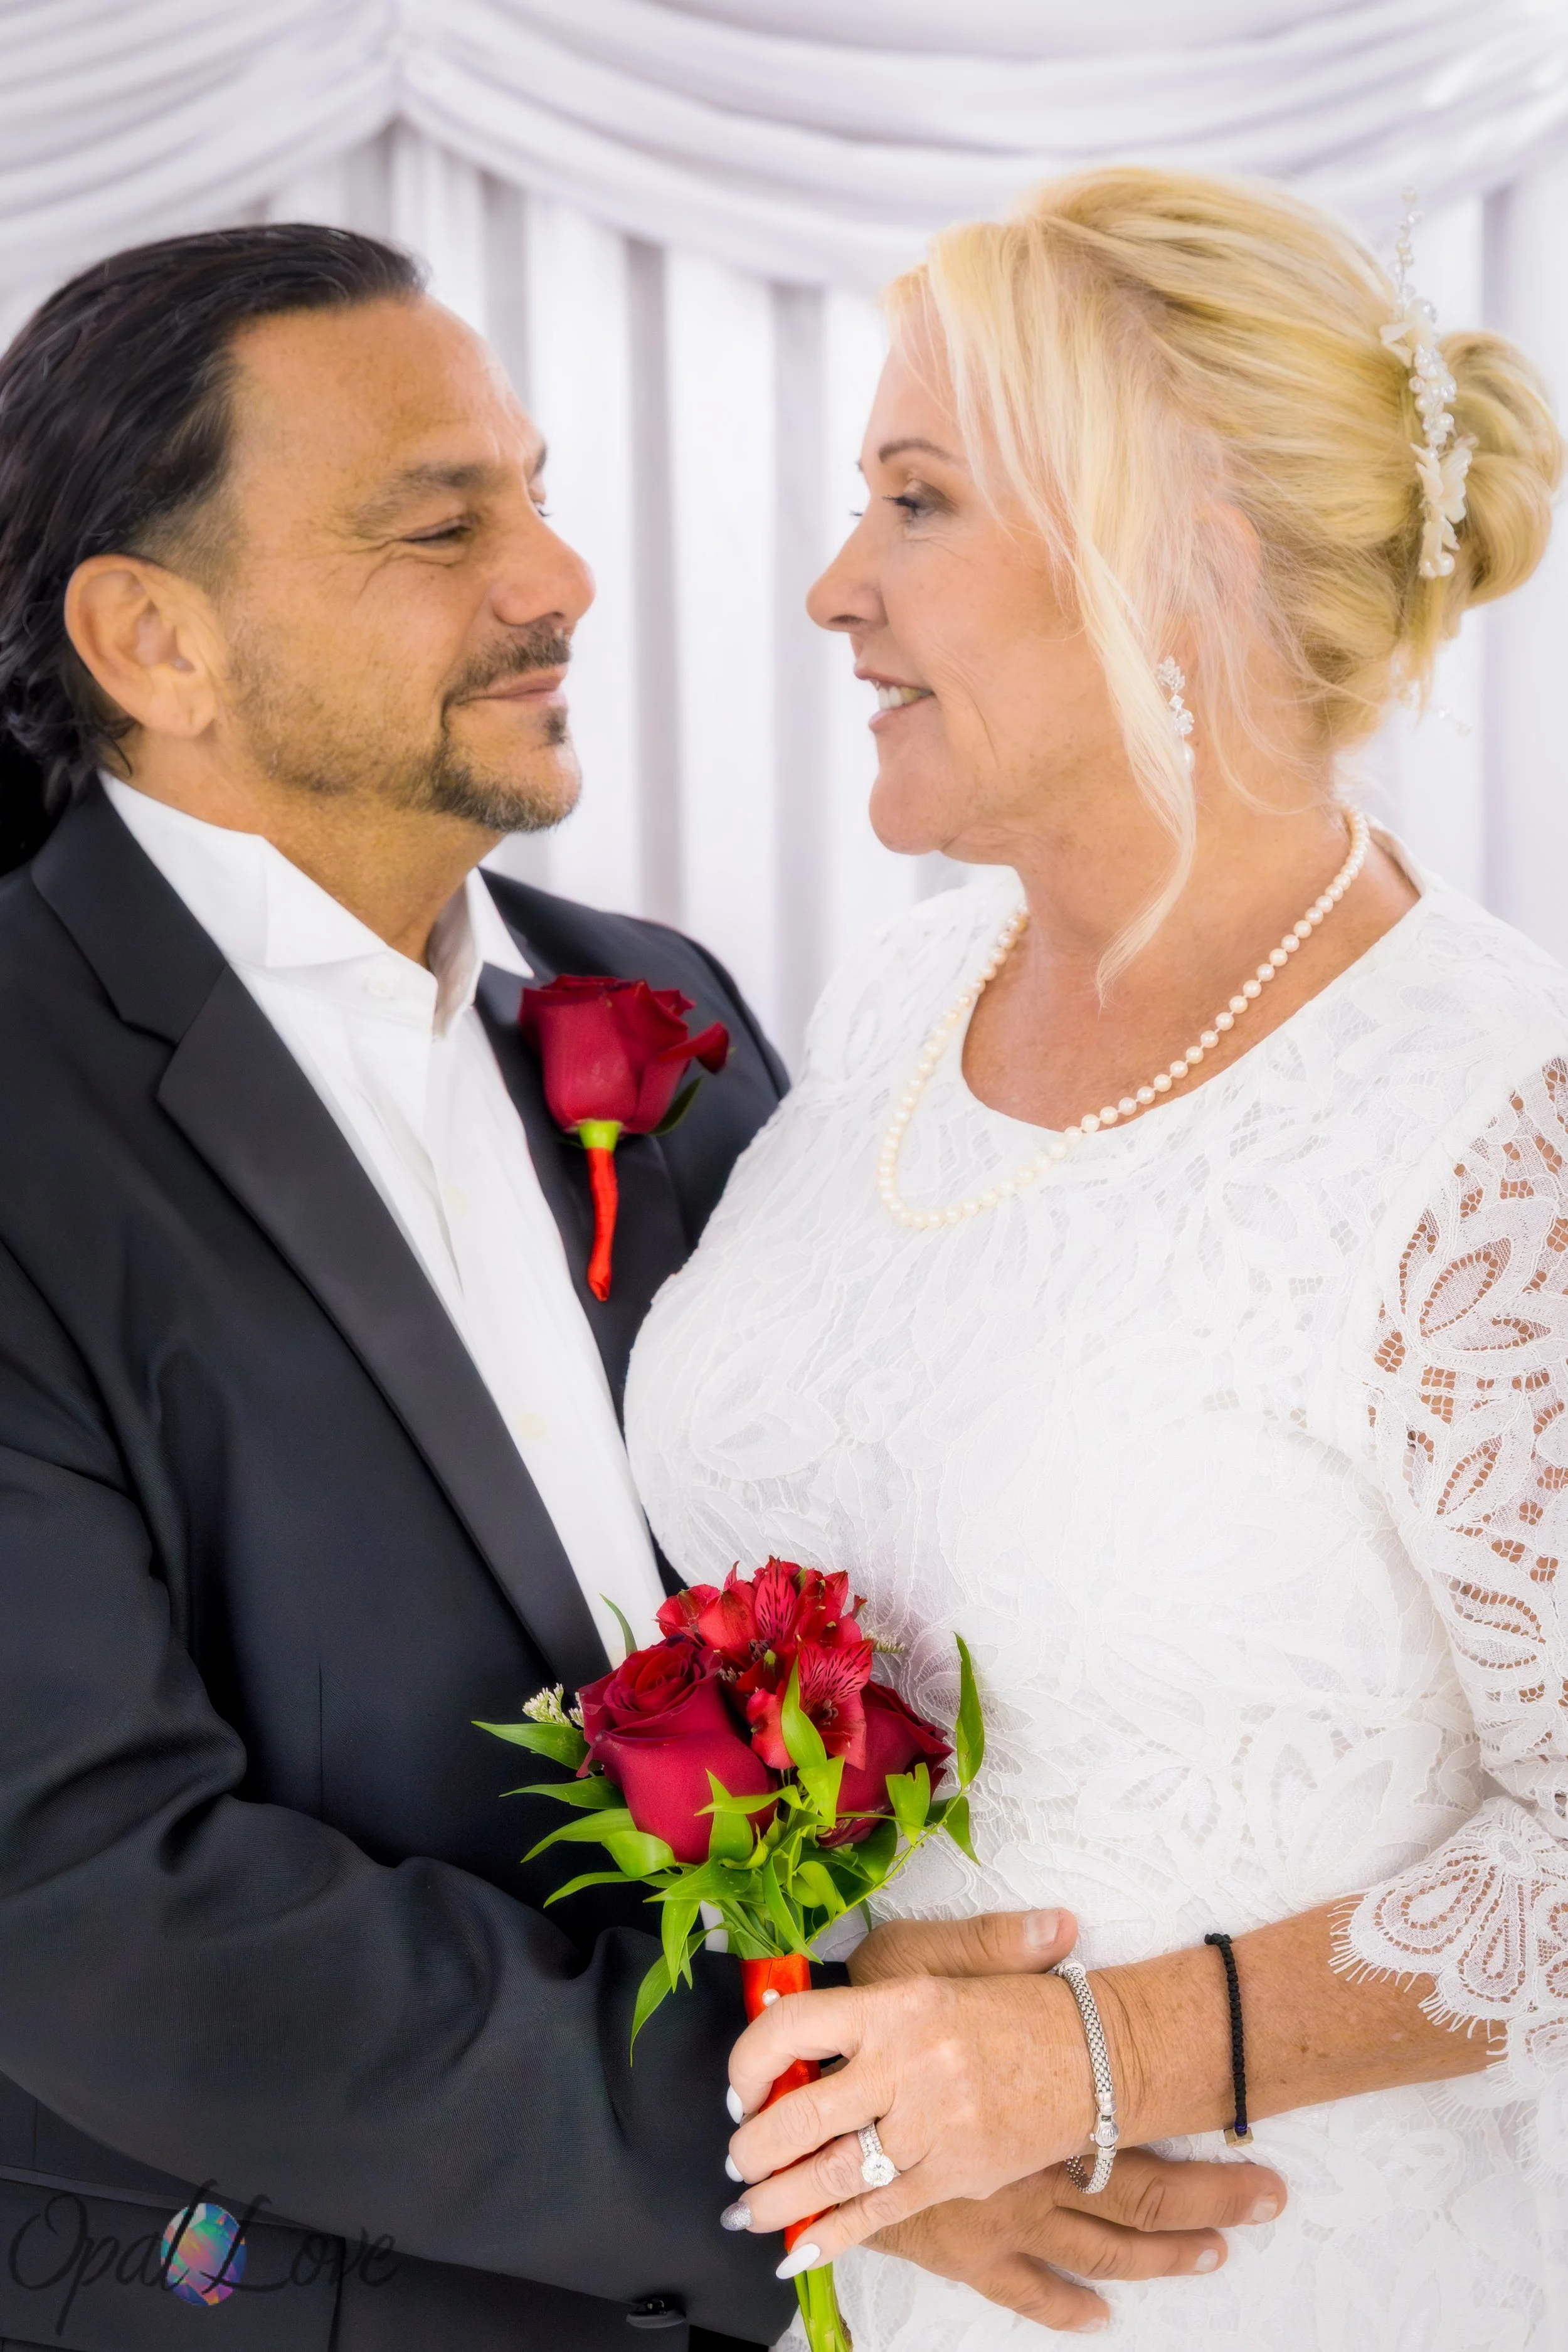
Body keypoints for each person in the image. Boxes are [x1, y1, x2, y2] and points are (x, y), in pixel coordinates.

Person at [0, 222, 1271, 2352]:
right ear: (154, 637)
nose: (557, 578)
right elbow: (88, 1894)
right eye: (441, 522)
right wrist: (808, 2134)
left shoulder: (645, 1004)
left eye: (539, 491)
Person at [623, 167, 1567, 2346]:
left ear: (1180, 557)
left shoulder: (1491, 1121)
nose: (832, 588)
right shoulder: (884, 1008)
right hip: (849, 2281)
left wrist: (1095, 2051)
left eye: (916, 500)